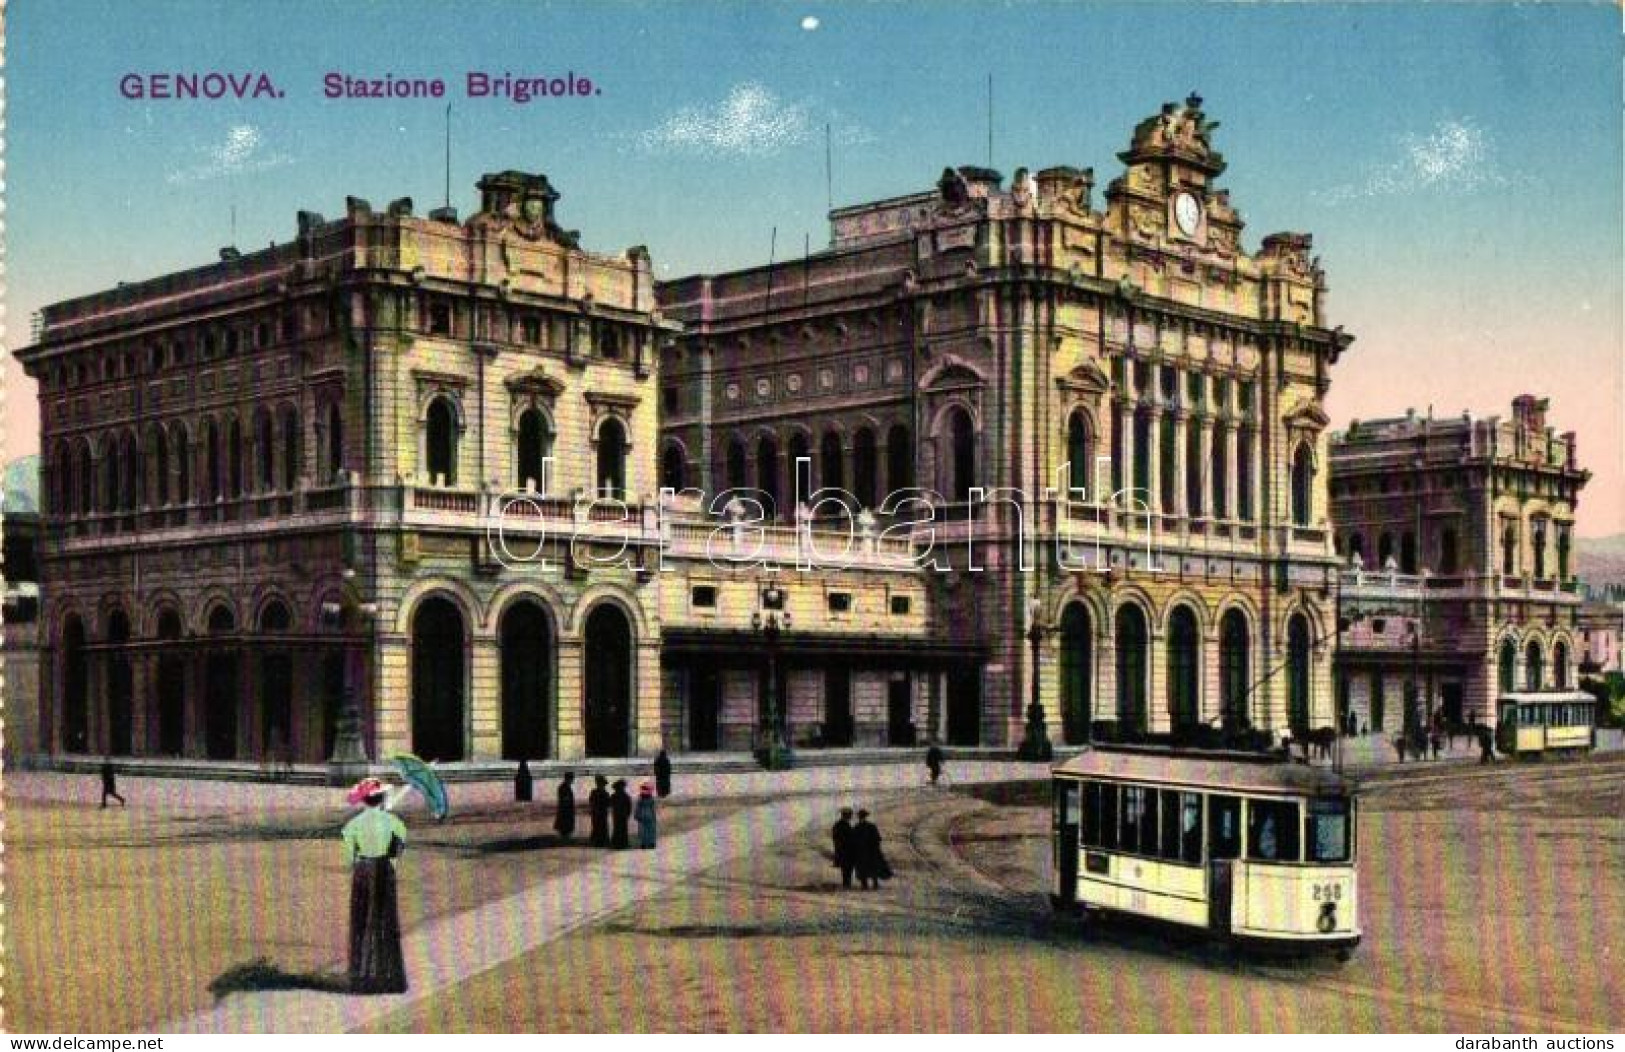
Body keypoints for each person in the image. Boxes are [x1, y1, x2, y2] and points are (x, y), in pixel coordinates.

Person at [342, 777, 409, 994]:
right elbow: (398, 847)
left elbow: (349, 858)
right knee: (386, 921)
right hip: (384, 869)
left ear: (363, 801)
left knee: (362, 921)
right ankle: (389, 976)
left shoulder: (351, 826)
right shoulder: (395, 823)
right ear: (381, 799)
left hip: (362, 870)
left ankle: (362, 977)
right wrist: (391, 863)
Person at [852, 809, 890, 889]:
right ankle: (874, 884)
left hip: (861, 852)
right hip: (870, 851)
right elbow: (877, 838)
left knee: (863, 867)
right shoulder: (871, 826)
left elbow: (853, 840)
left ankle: (864, 884)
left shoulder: (856, 827)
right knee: (872, 867)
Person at [831, 807, 856, 889]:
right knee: (846, 867)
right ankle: (846, 883)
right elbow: (837, 838)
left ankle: (847, 883)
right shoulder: (841, 825)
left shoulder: (840, 824)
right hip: (844, 850)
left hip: (845, 850)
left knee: (847, 867)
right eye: (849, 815)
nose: (850, 817)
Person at [610, 778, 633, 849]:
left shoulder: (614, 796)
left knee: (618, 829)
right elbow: (629, 807)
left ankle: (617, 843)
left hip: (617, 815)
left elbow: (610, 804)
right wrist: (628, 814)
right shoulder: (626, 796)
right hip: (621, 815)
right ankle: (622, 844)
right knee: (622, 829)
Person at [588, 775, 611, 847]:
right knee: (599, 828)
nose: (603, 786)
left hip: (599, 814)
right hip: (598, 814)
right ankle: (599, 842)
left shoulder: (596, 792)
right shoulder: (601, 793)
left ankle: (599, 842)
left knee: (599, 828)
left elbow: (608, 803)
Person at [554, 771, 577, 842]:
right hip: (565, 808)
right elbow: (564, 798)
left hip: (565, 808)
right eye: (572, 778)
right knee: (565, 823)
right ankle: (565, 837)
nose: (573, 780)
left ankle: (564, 836)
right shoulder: (564, 787)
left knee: (565, 823)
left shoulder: (563, 786)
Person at [634, 782, 659, 848]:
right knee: (650, 830)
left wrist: (636, 815)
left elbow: (637, 808)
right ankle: (651, 843)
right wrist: (654, 816)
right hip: (649, 815)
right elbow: (653, 809)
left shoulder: (640, 799)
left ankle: (644, 843)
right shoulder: (651, 799)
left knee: (643, 830)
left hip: (642, 815)